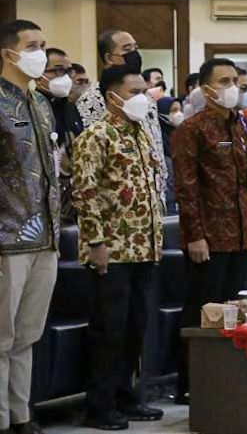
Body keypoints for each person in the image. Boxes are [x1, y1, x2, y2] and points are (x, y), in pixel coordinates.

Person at [72, 66, 164, 430]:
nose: (142, 98)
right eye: (134, 92)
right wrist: (96, 243)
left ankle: (126, 396)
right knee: (109, 330)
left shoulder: (140, 132)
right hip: (111, 249)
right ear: (112, 96)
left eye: (144, 91)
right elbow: (85, 193)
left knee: (134, 329)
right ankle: (99, 405)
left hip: (143, 247)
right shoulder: (96, 135)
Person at [171, 57, 247, 403]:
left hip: (238, 233)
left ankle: (227, 377)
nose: (232, 88)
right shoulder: (191, 129)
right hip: (207, 235)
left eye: (235, 80)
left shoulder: (241, 125)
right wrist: (194, 234)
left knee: (235, 309)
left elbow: (246, 183)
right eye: (224, 82)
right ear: (206, 89)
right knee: (202, 310)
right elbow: (186, 188)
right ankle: (191, 383)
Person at [0, 20, 61, 434]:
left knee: (27, 334)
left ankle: (21, 415)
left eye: (42, 44)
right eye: (31, 45)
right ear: (9, 53)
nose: (40, 53)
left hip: (46, 235)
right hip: (7, 237)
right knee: (2, 337)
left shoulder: (40, 102)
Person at [76, 30, 167, 196]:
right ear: (109, 58)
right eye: (127, 49)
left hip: (153, 191)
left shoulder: (146, 95)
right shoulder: (92, 99)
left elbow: (154, 140)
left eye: (135, 48)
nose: (135, 54)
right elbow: (91, 159)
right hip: (119, 196)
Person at [37, 47, 84, 223]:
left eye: (68, 71)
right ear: (39, 75)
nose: (64, 77)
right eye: (57, 71)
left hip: (73, 201)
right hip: (43, 200)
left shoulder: (70, 107)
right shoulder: (33, 107)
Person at [156, 97, 184, 216]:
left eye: (180, 110)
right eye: (174, 110)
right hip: (166, 200)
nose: (179, 114)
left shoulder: (181, 134)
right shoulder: (158, 136)